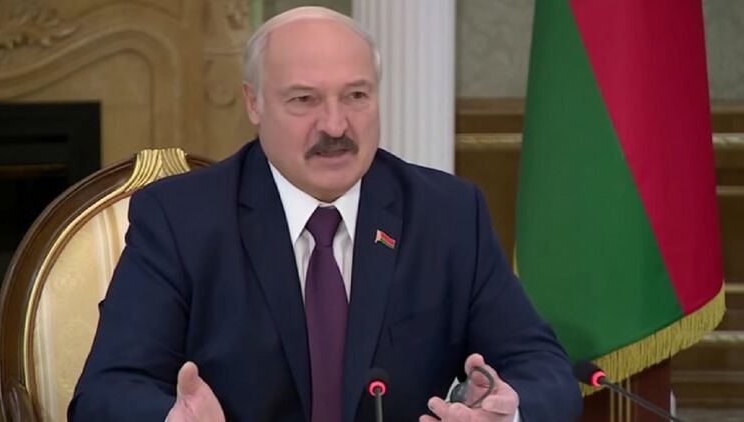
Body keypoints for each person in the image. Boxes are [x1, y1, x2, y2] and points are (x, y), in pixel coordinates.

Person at [68, 6, 581, 422]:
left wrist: (507, 411)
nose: (335, 126)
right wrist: (170, 419)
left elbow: (543, 368)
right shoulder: (181, 219)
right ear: (254, 103)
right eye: (304, 100)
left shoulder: (447, 213)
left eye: (355, 96)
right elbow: (106, 391)